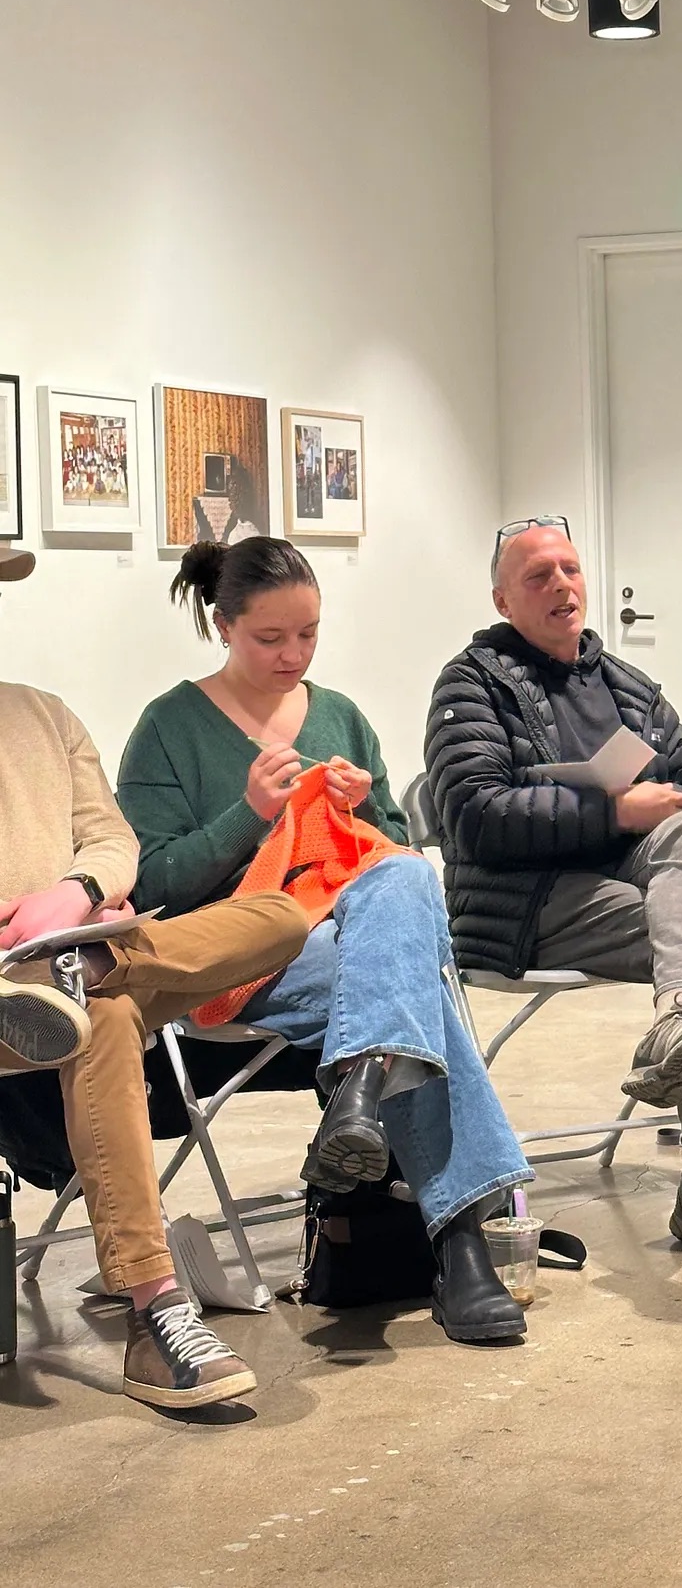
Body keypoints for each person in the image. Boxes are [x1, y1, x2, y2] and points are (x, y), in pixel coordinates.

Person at [118, 537, 533, 1348]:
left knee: (408, 881)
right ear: (222, 624)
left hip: (347, 946)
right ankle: (461, 1242)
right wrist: (249, 814)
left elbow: (388, 853)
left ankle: (361, 1092)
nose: (292, 654)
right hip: (230, 958)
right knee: (407, 986)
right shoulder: (168, 726)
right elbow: (152, 884)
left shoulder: (339, 713)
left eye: (308, 633)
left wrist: (370, 807)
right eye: (270, 637)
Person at [426, 517, 682, 1265]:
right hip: (525, 906)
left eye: (570, 568)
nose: (562, 584)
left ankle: (675, 1021)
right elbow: (472, 814)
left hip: (625, 891)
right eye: (539, 575)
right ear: (503, 599)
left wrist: (652, 808)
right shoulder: (470, 683)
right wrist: (610, 810)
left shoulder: (633, 690)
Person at [0, 544, 309, 1410]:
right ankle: (155, 1310)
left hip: (65, 956)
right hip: (14, 990)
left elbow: (112, 841)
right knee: (98, 1023)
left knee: (280, 918)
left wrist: (75, 893)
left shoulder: (42, 715)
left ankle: (88, 961)